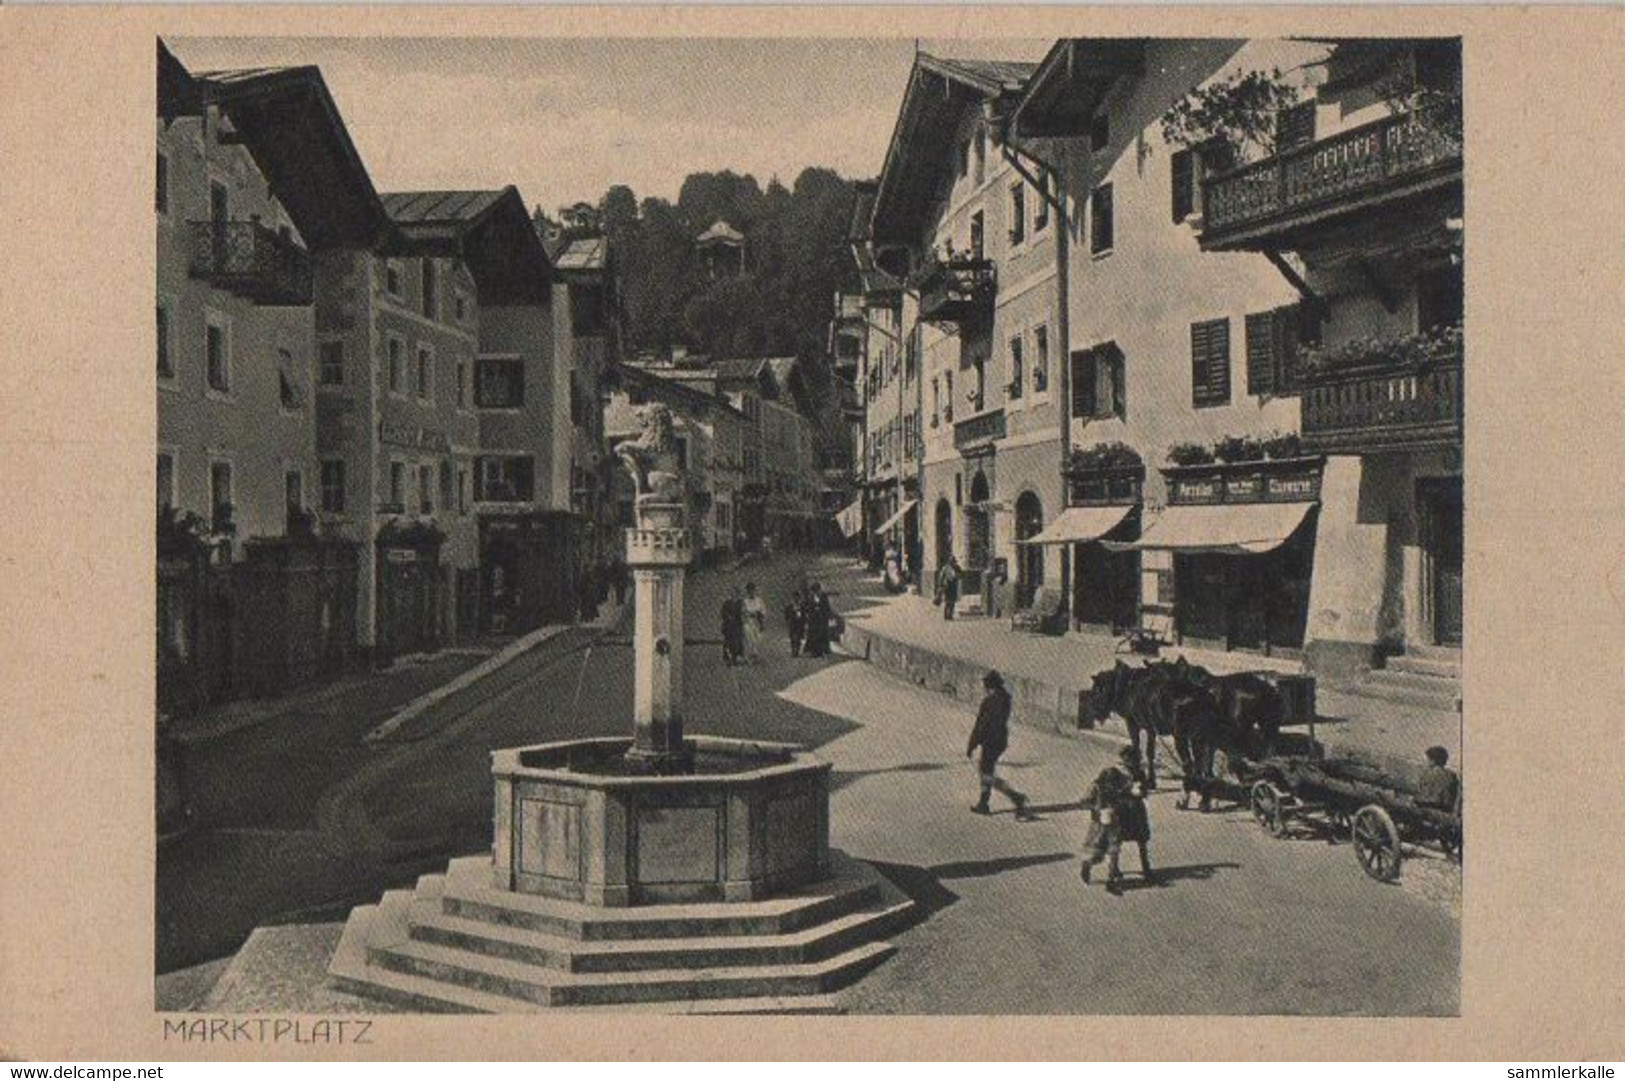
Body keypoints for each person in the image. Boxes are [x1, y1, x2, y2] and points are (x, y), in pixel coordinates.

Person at [1081, 745, 1156, 893]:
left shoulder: (1139, 773)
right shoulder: (1111, 772)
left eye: (1137, 761)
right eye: (1132, 761)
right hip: (1118, 812)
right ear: (1124, 760)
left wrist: (1142, 789)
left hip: (1136, 811)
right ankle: (1111, 871)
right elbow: (1104, 791)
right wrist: (1128, 790)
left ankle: (1146, 868)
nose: (1135, 764)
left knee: (1142, 838)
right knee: (1114, 843)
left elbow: (1145, 788)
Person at [965, 670, 1032, 819]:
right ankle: (984, 803)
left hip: (990, 741)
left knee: (986, 774)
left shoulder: (989, 702)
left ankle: (1017, 798)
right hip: (1001, 739)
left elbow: (981, 725)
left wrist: (972, 745)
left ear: (989, 686)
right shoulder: (1005, 699)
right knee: (986, 771)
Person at [1417, 746, 1461, 813]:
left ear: (1433, 760)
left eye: (1427, 759)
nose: (1426, 762)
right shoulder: (1452, 776)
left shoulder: (1428, 775)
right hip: (1446, 812)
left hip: (1429, 810)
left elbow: (1424, 797)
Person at [803, 582, 833, 658]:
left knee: (822, 635)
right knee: (813, 636)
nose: (817, 592)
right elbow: (808, 607)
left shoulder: (824, 597)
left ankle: (822, 651)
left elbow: (827, 607)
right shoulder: (810, 597)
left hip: (822, 619)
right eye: (815, 591)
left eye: (817, 591)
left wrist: (828, 615)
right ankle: (814, 652)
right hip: (813, 620)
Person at [719, 586, 745, 666]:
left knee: (737, 642)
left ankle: (735, 658)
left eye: (735, 592)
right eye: (731, 592)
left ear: (737, 593)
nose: (733, 594)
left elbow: (743, 612)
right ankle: (728, 658)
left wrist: (738, 617)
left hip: (737, 625)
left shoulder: (741, 602)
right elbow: (723, 612)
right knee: (728, 641)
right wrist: (728, 617)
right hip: (728, 625)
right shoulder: (727, 603)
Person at [743, 581, 766, 661]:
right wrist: (747, 616)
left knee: (757, 638)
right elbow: (743, 612)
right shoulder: (745, 601)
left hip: (757, 620)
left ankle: (756, 654)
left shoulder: (759, 600)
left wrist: (762, 621)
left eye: (752, 590)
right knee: (749, 637)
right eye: (749, 590)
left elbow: (763, 611)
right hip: (748, 621)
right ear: (747, 591)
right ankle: (750, 655)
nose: (751, 592)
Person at [783, 586, 807, 657]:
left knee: (798, 638)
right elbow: (786, 614)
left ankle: (797, 650)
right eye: (795, 597)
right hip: (792, 623)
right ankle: (793, 650)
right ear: (793, 598)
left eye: (798, 597)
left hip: (800, 624)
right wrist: (788, 621)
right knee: (793, 637)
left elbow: (804, 615)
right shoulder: (790, 606)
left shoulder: (802, 606)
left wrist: (805, 622)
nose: (796, 599)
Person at [936, 556, 961, 621]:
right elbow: (941, 577)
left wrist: (958, 575)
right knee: (947, 601)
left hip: (954, 585)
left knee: (953, 602)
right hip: (947, 586)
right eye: (952, 561)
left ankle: (950, 615)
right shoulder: (945, 568)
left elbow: (961, 574)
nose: (953, 563)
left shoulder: (957, 567)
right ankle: (946, 615)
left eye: (953, 561)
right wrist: (940, 585)